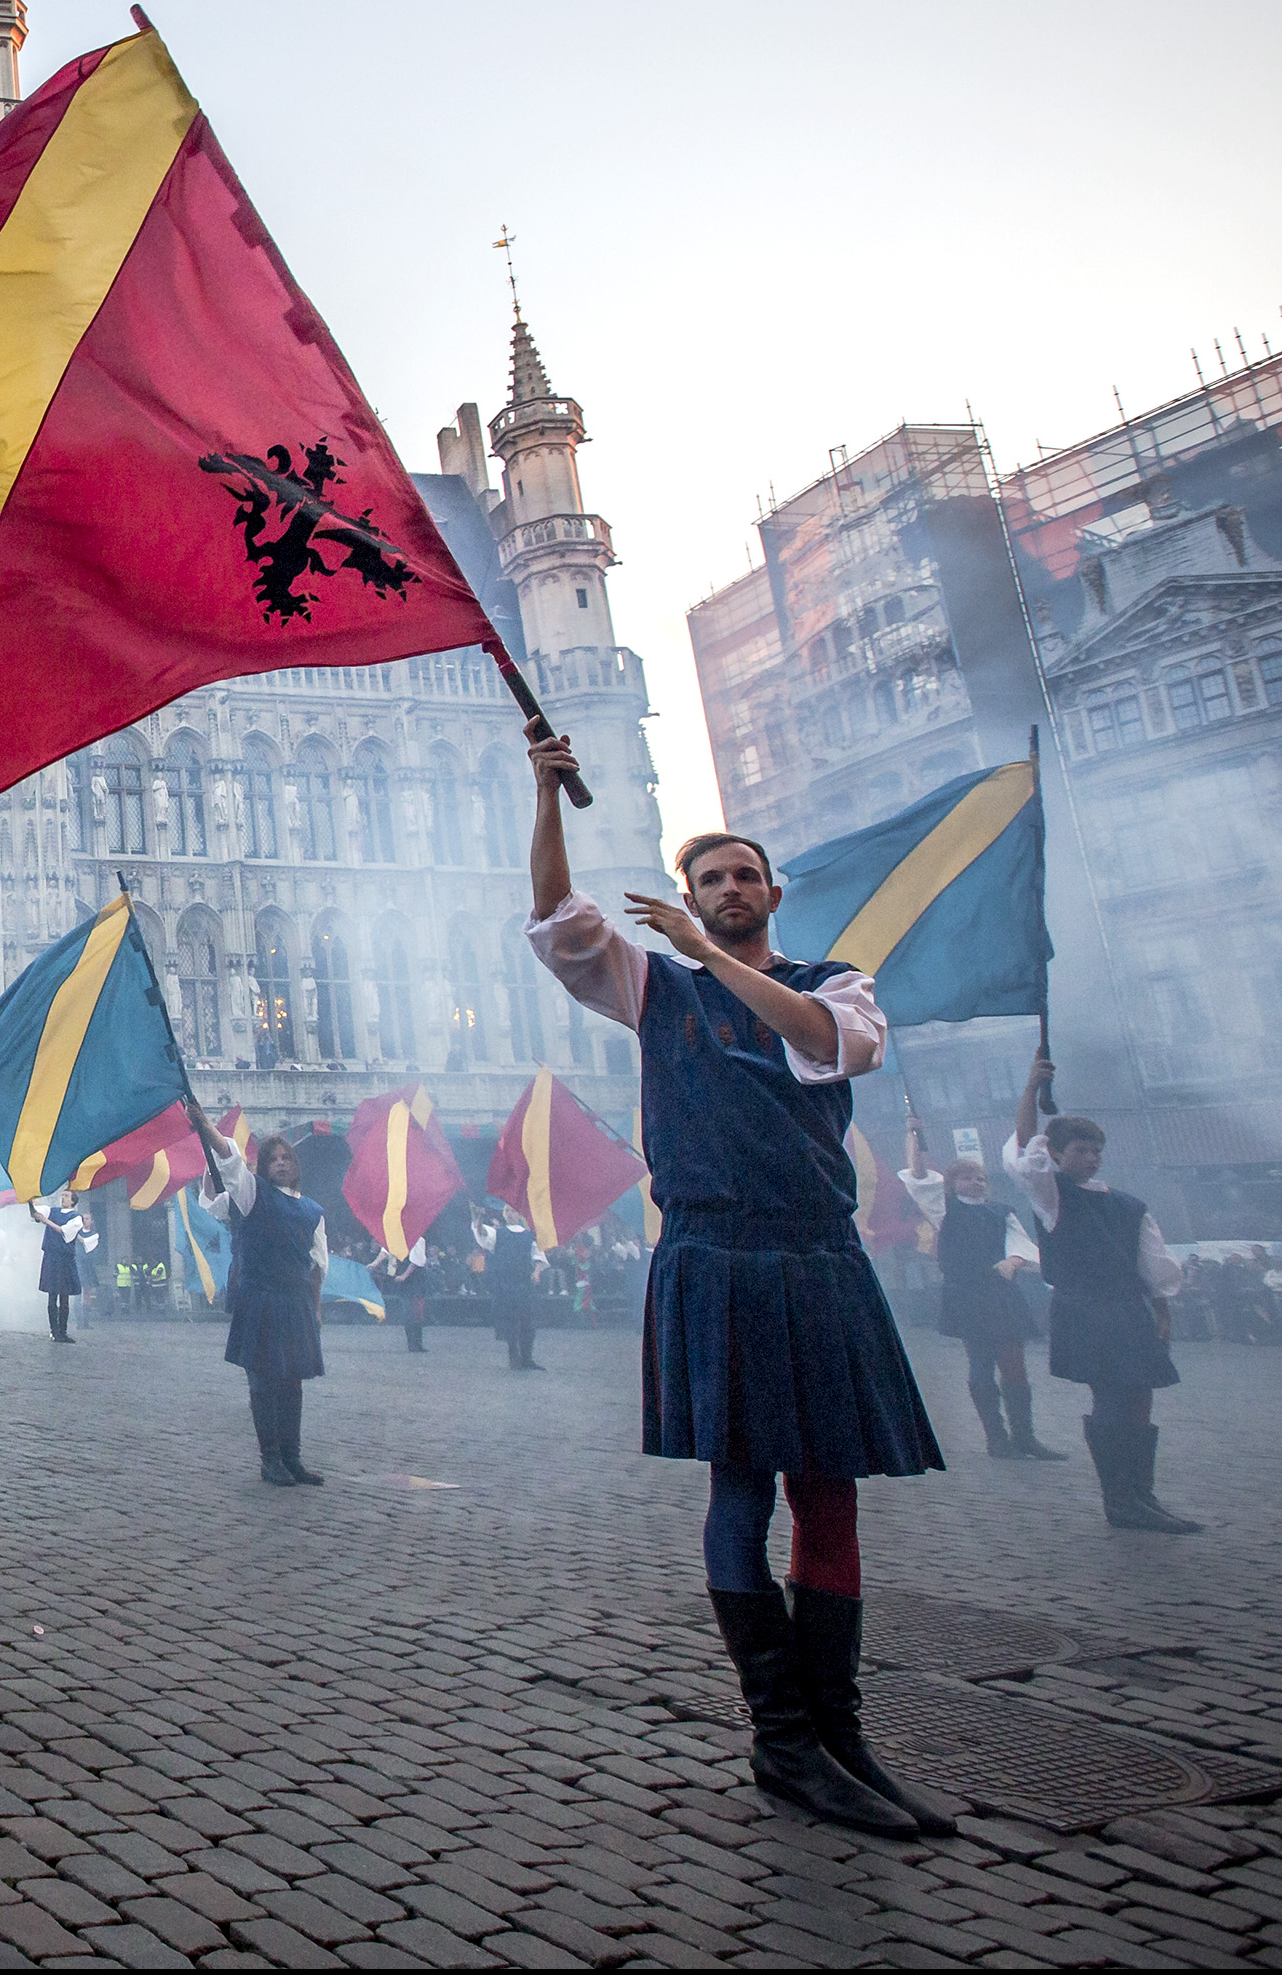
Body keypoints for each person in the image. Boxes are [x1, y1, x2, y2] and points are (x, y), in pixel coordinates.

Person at [525, 734, 951, 1842]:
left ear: (771, 891)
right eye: (707, 879)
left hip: (817, 1254)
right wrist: (544, 794)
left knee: (832, 1494)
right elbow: (556, 919)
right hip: (713, 1252)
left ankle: (840, 1731)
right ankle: (784, 1741)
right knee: (740, 1490)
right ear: (688, 897)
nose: (726, 888)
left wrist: (713, 962)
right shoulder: (653, 987)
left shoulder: (835, 985)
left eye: (742, 875)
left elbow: (822, 1046)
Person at [1008, 1058, 1198, 1535]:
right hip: (1085, 1310)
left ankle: (1141, 1493)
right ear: (1057, 1153)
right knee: (1111, 1397)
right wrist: (1032, 1086)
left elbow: (1150, 1265)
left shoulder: (1129, 1204)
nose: (1092, 1157)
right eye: (1081, 1149)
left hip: (1127, 1310)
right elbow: (1026, 1149)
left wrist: (1162, 1310)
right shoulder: (1051, 1195)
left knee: (1140, 1396)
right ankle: (1119, 1499)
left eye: (1097, 1150)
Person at [902, 1117, 1061, 1462]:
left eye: (981, 1177)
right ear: (952, 1183)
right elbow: (918, 1176)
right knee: (979, 1362)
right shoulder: (945, 1209)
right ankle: (996, 1439)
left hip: (1001, 1294)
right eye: (966, 1176)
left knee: (1014, 1361)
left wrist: (1013, 1262)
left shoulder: (1001, 1212)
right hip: (967, 1293)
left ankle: (1025, 1437)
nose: (975, 1181)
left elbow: (1023, 1247)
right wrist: (913, 1132)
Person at [195, 1109, 327, 1484]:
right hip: (262, 1299)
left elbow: (317, 1265)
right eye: (274, 1159)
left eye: (286, 1158)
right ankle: (270, 1459)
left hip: (296, 1300)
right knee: (265, 1380)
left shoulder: (313, 1211)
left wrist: (315, 1309)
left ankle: (292, 1457)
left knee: (293, 1380)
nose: (281, 1163)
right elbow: (231, 1162)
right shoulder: (253, 1194)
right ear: (264, 1166)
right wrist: (205, 1127)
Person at [473, 1207, 546, 1370]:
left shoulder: (529, 1234)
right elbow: (482, 1232)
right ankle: (514, 1357)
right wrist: (479, 1216)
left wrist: (536, 1272)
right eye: (507, 1211)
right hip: (505, 1284)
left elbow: (539, 1256)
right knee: (510, 1322)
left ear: (519, 1213)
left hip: (524, 1283)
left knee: (528, 1322)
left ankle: (527, 1358)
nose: (510, 1213)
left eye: (513, 1210)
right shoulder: (498, 1233)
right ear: (504, 1214)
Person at [36, 1193, 98, 1342]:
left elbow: (65, 1231)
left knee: (64, 1296)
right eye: (62, 1195)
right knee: (52, 1296)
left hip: (64, 1259)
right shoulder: (53, 1211)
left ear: (73, 1201)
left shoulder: (76, 1217)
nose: (62, 1198)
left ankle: (62, 1332)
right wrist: (30, 1197)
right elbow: (38, 1210)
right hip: (51, 1257)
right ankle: (54, 1331)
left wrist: (46, 1221)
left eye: (66, 1196)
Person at [378, 1242, 432, 1352]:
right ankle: (413, 1344)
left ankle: (415, 1343)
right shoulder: (399, 1237)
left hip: (415, 1282)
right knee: (409, 1312)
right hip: (406, 1282)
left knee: (415, 1312)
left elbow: (416, 1262)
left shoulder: (418, 1240)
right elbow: (385, 1251)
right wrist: (374, 1264)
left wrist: (404, 1276)